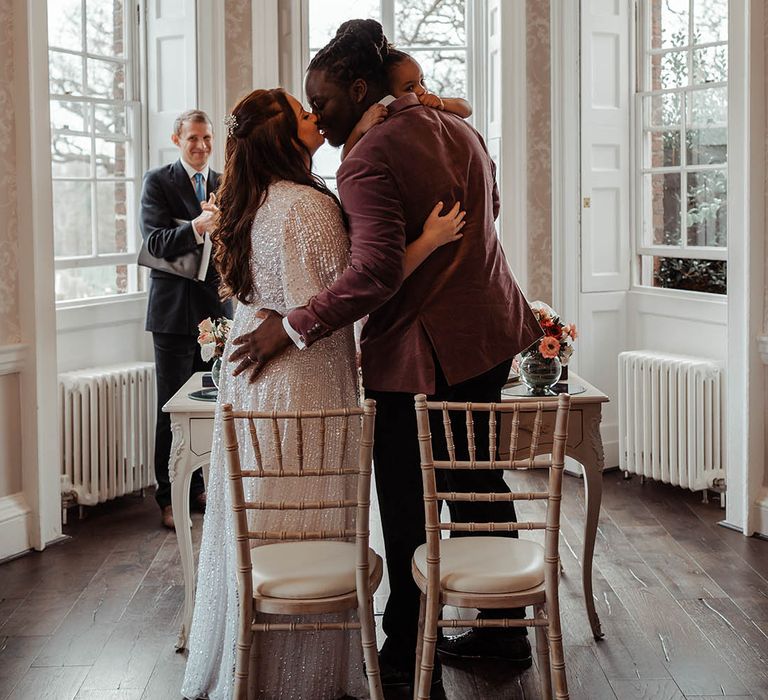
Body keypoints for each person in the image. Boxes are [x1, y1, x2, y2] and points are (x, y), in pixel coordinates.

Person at [231, 18, 542, 694]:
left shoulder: (366, 159)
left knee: (405, 502)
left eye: (325, 101)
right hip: (490, 331)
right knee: (478, 479)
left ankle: (406, 648)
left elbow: (370, 275)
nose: (319, 115)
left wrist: (289, 329)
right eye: (308, 108)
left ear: (360, 85)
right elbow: (492, 207)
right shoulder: (460, 129)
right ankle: (506, 630)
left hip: (422, 353)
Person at [181, 88, 464, 700]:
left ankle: (253, 664)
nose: (315, 117)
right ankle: (302, 679)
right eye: (301, 113)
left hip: (255, 387)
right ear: (283, 139)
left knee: (265, 529)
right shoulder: (306, 208)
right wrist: (431, 241)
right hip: (304, 387)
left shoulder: (251, 201)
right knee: (307, 523)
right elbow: (357, 296)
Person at [140, 109, 232, 530]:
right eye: (193, 138)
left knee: (214, 405)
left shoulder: (224, 184)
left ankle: (201, 490)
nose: (201, 146)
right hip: (173, 314)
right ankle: (167, 496)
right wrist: (195, 226)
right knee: (173, 409)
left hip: (217, 312)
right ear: (177, 139)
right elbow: (155, 242)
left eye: (207, 138)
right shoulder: (159, 182)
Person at [342, 46, 472, 160]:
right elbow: (346, 158)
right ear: (386, 97)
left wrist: (443, 103)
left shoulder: (428, 102)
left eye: (422, 81)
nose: (422, 89)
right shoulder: (378, 117)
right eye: (410, 88)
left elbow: (466, 109)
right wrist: (360, 127)